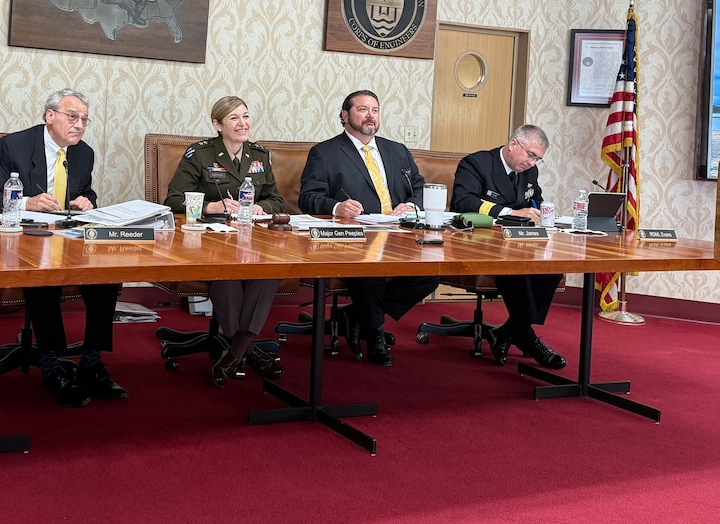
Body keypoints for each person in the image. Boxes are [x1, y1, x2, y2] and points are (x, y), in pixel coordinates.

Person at [0, 88, 126, 407]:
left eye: (85, 119)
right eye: (73, 117)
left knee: (107, 273)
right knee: (43, 274)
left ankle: (92, 361)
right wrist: (26, 202)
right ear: (50, 116)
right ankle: (51, 365)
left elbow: (85, 192)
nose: (79, 125)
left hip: (66, 240)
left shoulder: (83, 153)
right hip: (20, 241)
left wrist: (87, 201)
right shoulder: (12, 146)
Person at [298, 90, 438, 366]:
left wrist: (412, 205)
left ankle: (354, 316)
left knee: (429, 273)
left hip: (399, 234)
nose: (370, 116)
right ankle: (374, 333)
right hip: (354, 237)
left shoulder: (397, 150)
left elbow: (419, 187)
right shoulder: (325, 152)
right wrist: (337, 207)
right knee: (369, 271)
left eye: (375, 110)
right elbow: (307, 197)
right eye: (362, 110)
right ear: (345, 115)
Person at [163, 96, 285, 388]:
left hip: (253, 240)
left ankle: (234, 353)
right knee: (227, 276)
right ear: (217, 125)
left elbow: (276, 200)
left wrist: (262, 207)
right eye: (234, 118)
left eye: (246, 116)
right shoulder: (200, 155)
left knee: (270, 271)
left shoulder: (259, 155)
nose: (243, 123)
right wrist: (211, 206)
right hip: (212, 241)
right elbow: (173, 200)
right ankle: (246, 351)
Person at [451, 125, 567, 370]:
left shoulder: (529, 172)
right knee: (516, 267)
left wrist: (542, 214)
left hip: (517, 240)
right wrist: (510, 213)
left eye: (538, 159)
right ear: (513, 144)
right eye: (531, 155)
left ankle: (508, 332)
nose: (532, 163)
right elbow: (463, 201)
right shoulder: (477, 163)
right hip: (478, 241)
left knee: (552, 266)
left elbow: (535, 200)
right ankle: (527, 339)